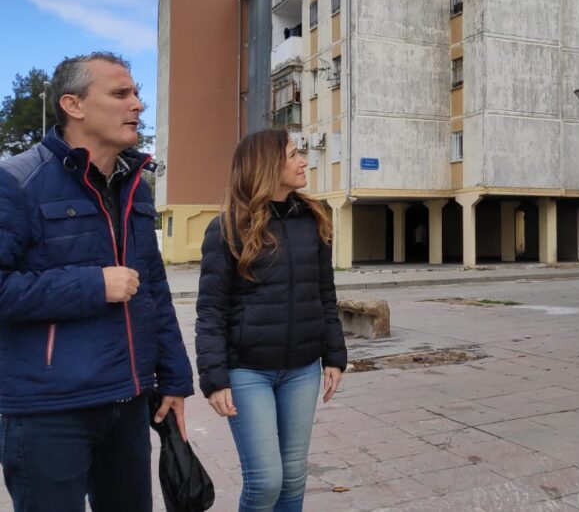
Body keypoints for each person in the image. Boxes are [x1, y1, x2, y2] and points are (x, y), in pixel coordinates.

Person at [0, 52, 193, 511]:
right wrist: (92, 285)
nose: (138, 105)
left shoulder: (135, 188)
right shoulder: (17, 182)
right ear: (74, 105)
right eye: (121, 94)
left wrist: (175, 380)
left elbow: (154, 292)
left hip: (127, 401)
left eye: (137, 94)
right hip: (48, 412)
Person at [196, 129, 347, 512]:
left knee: (294, 476)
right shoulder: (227, 227)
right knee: (266, 482)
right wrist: (215, 379)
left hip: (302, 369)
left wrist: (334, 355)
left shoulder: (314, 219)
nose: (303, 161)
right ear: (266, 166)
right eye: (294, 154)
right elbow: (211, 309)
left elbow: (325, 294)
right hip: (248, 372)